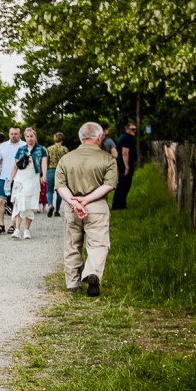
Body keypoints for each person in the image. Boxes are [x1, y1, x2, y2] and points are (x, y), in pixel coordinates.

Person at [55, 122, 118, 297]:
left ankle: (73, 283)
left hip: (72, 206)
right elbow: (109, 185)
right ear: (99, 137)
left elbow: (60, 186)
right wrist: (88, 199)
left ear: (81, 138)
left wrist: (74, 203)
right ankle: (93, 273)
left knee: (72, 244)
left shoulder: (66, 159)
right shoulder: (108, 159)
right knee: (98, 243)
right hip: (97, 206)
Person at [8, 127, 48, 239]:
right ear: (24, 137)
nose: (29, 139)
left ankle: (27, 229)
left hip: (33, 178)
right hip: (21, 178)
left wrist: (44, 175)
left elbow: (44, 162)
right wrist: (11, 179)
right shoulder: (21, 150)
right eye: (27, 136)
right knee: (18, 203)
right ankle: (17, 229)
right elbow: (16, 166)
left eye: (31, 136)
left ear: (35, 137)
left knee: (30, 204)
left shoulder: (41, 149)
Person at [0, 126, 23, 235]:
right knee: (0, 201)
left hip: (19, 178)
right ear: (9, 134)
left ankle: (13, 225)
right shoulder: (3, 146)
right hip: (4, 178)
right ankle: (1, 224)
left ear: (20, 135)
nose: (13, 136)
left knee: (15, 202)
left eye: (16, 134)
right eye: (11, 133)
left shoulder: (24, 146)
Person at [112, 122, 137, 210]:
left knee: (122, 184)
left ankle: (117, 204)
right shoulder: (126, 138)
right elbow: (125, 153)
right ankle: (120, 205)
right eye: (133, 129)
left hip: (123, 163)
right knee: (125, 184)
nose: (135, 131)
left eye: (135, 129)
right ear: (127, 130)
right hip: (125, 164)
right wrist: (127, 167)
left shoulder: (125, 137)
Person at [46, 132, 69, 217]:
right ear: (62, 139)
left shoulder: (49, 149)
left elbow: (46, 160)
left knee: (49, 190)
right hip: (61, 171)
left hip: (51, 170)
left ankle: (50, 204)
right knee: (60, 191)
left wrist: (45, 171)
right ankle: (57, 210)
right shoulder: (65, 149)